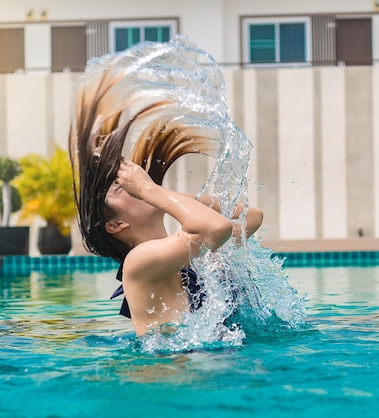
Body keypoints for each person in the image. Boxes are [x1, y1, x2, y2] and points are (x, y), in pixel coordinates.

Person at [69, 39, 263, 336]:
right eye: (124, 191)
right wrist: (151, 193)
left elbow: (250, 217)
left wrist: (156, 194)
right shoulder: (138, 261)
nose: (137, 188)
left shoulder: (184, 253)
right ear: (117, 224)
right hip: (166, 376)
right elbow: (218, 228)